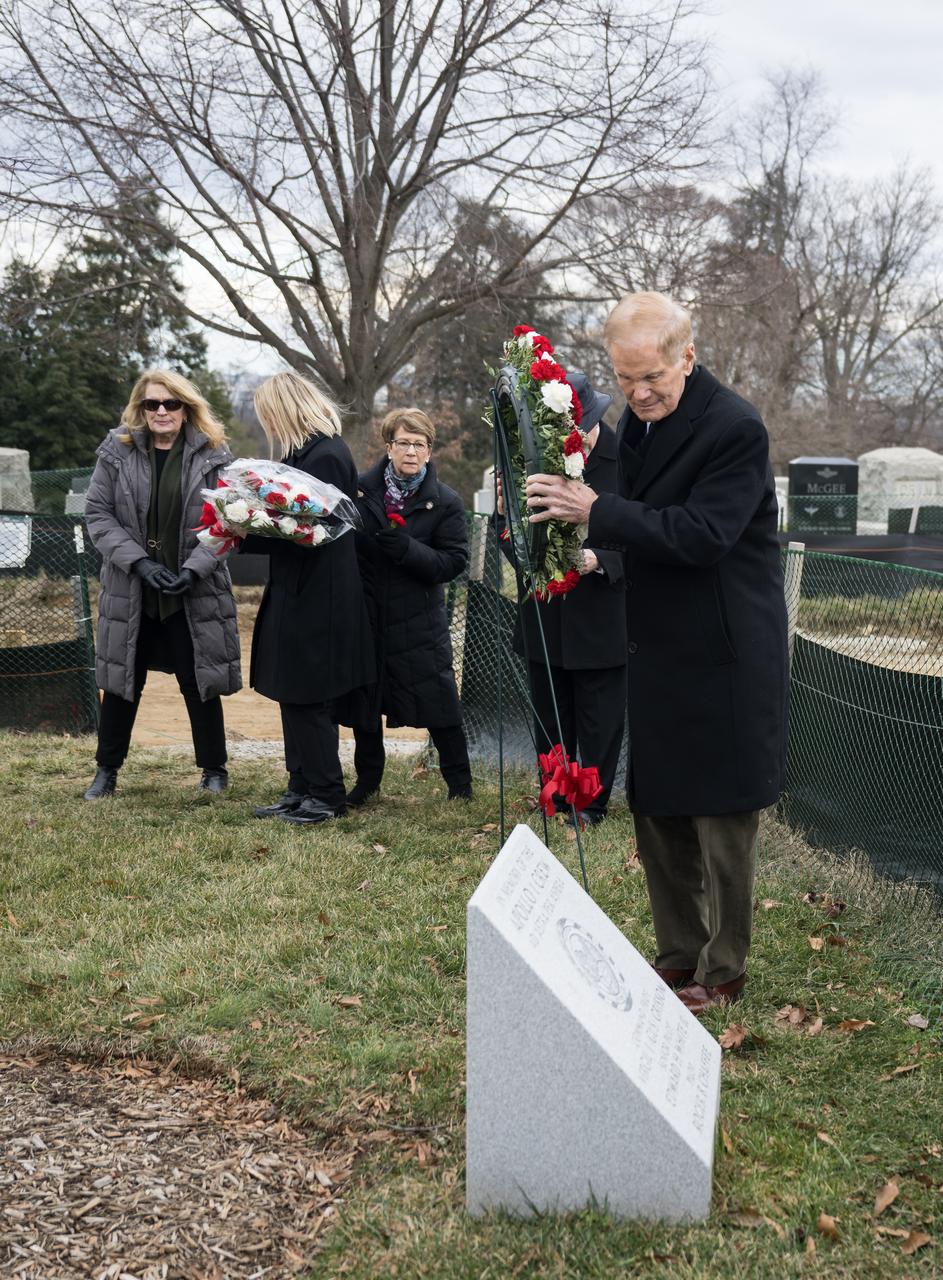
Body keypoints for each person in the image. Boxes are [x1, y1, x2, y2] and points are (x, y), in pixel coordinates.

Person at [524, 292, 788, 1014]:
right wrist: (560, 519)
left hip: (725, 651)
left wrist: (596, 513)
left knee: (721, 817)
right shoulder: (634, 425)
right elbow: (614, 511)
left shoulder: (733, 428)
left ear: (687, 357)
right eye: (624, 377)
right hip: (658, 647)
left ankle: (723, 966)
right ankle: (676, 955)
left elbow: (701, 534)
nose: (638, 394)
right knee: (661, 807)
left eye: (653, 379)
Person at [83, 370, 241, 798]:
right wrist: (137, 563)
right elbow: (98, 515)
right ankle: (107, 771)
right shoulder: (117, 451)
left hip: (192, 591)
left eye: (170, 404)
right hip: (132, 589)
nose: (161, 412)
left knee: (199, 682)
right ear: (141, 407)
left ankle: (214, 770)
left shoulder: (214, 455)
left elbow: (230, 523)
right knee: (121, 684)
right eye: (152, 404)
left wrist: (194, 568)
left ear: (187, 408)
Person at [500, 370, 627, 827]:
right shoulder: (540, 461)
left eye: (583, 425)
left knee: (598, 721)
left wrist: (601, 559)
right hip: (547, 614)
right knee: (551, 718)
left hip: (602, 617)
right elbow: (515, 548)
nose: (578, 437)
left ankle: (589, 804)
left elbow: (649, 535)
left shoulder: (627, 460)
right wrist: (506, 517)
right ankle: (555, 795)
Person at [248, 371, 375, 825]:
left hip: (318, 596)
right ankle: (300, 784)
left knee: (308, 696)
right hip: (298, 589)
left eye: (268, 414)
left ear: (284, 409)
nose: (266, 424)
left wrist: (247, 526)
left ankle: (325, 794)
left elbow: (313, 530)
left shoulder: (325, 456)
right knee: (292, 692)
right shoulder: (308, 453)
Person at [346, 407, 472, 805]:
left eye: (420, 444)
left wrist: (409, 551)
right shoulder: (361, 492)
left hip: (419, 621)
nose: (412, 452)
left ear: (430, 451)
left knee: (440, 705)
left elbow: (453, 562)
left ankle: (460, 786)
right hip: (367, 616)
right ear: (388, 446)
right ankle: (367, 783)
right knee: (366, 707)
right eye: (404, 443)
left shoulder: (445, 502)